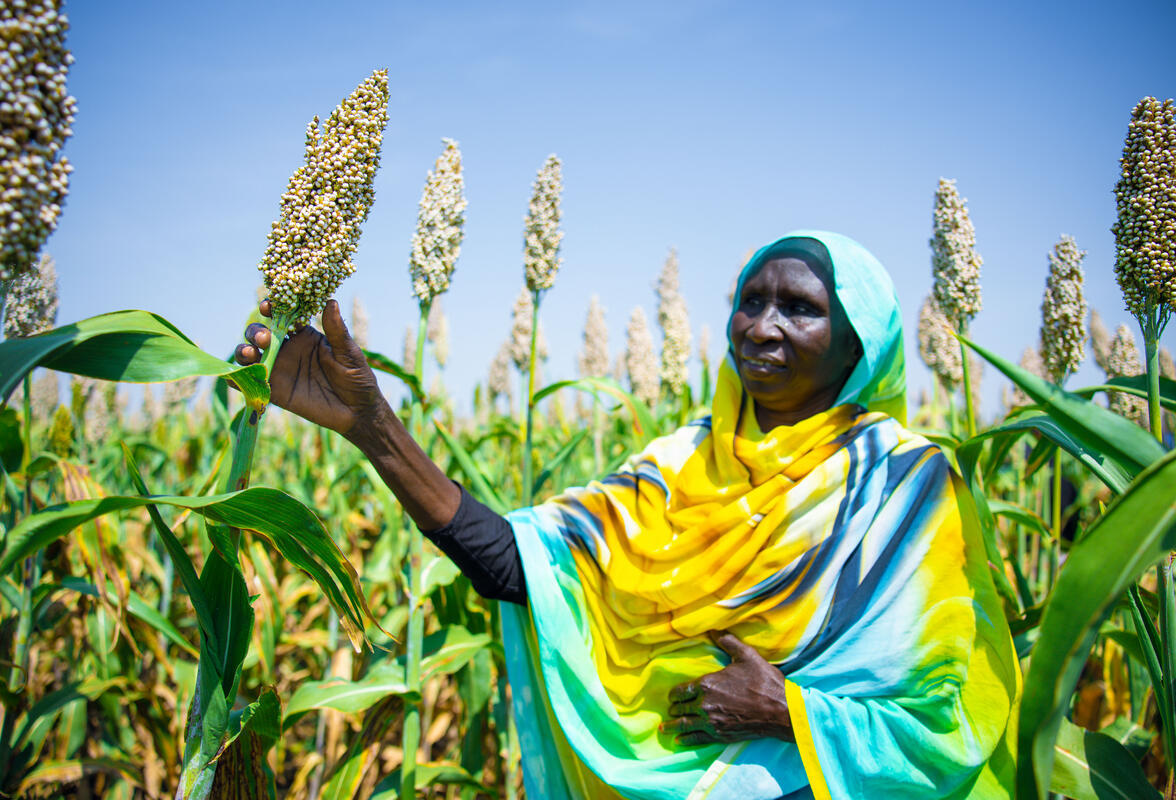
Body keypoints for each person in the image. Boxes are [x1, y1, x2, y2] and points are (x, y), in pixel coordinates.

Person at [236, 231, 1019, 799]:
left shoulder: (909, 486)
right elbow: (524, 567)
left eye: (800, 309)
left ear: (860, 345)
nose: (763, 326)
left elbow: (953, 713)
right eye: (752, 301)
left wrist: (793, 715)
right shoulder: (679, 463)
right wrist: (374, 427)